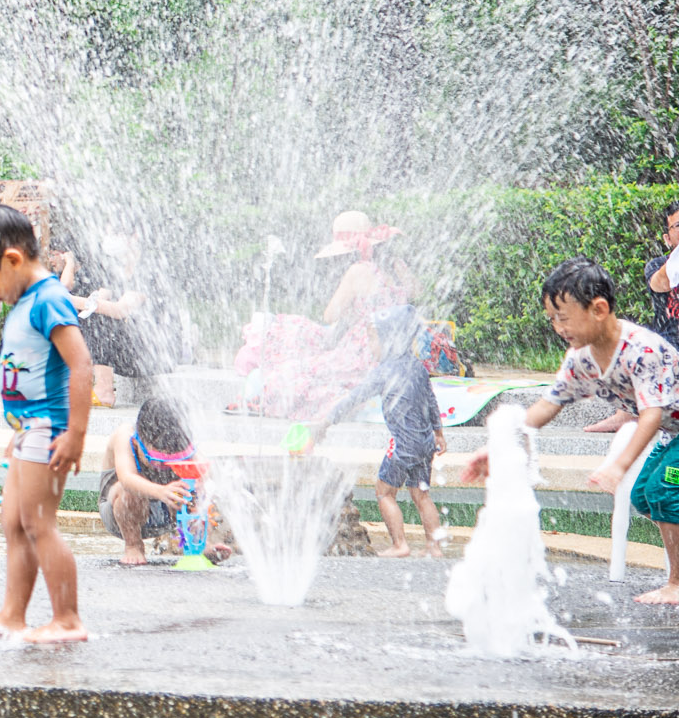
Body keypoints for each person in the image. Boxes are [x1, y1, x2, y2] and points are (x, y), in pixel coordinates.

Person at [463, 258, 679, 603]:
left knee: (663, 491)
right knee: (644, 496)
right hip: (674, 432)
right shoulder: (582, 358)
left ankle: (676, 583)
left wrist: (619, 465)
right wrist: (500, 446)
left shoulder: (642, 349)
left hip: (670, 427)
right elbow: (548, 404)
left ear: (598, 309)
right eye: (552, 319)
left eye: (563, 317)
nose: (558, 327)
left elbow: (650, 414)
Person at [0, 204, 92, 643]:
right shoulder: (26, 301)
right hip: (26, 430)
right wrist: (14, 435)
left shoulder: (49, 299)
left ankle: (67, 620)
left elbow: (80, 366)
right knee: (14, 523)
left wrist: (75, 433)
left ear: (12, 260)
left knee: (38, 524)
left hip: (49, 429)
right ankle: (12, 615)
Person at [236, 209, 410, 420]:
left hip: (364, 349)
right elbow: (415, 293)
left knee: (295, 371)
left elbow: (330, 315)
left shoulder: (359, 270)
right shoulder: (397, 266)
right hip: (398, 346)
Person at [327, 306, 447, 559]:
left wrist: (326, 421)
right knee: (421, 495)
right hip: (425, 441)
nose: (370, 345)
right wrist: (438, 433)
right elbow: (432, 401)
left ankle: (399, 544)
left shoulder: (383, 371)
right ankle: (434, 547)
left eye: (373, 338)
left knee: (383, 491)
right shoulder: (418, 367)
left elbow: (353, 399)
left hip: (403, 443)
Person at [67, 228, 177, 408]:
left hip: (153, 352)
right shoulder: (116, 270)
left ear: (135, 237)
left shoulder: (148, 269)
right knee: (88, 316)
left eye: (117, 233)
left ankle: (104, 390)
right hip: (129, 349)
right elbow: (97, 299)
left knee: (102, 319)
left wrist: (68, 298)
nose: (111, 238)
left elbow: (120, 310)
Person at [98, 396, 202, 566]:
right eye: (157, 459)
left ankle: (198, 544)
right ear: (138, 441)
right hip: (120, 515)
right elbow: (126, 479)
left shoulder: (180, 439)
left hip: (169, 511)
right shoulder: (125, 436)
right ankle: (133, 546)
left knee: (198, 491)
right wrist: (161, 491)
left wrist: (202, 483)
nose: (164, 465)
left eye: (173, 459)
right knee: (127, 490)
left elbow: (204, 469)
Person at [645, 202, 679, 352]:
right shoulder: (657, 265)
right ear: (667, 238)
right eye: (678, 225)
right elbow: (660, 284)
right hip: (670, 349)